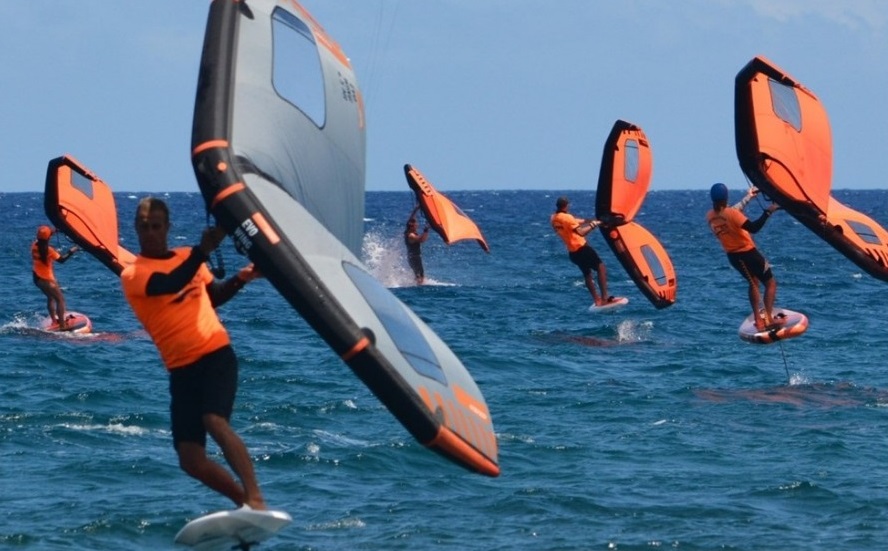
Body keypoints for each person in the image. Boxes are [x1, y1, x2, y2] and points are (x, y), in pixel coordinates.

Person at [120, 197, 267, 510]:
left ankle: (255, 497)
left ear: (167, 227)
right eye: (143, 227)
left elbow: (213, 297)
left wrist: (242, 277)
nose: (149, 233)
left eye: (156, 226)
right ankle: (245, 506)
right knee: (190, 459)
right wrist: (202, 251)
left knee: (214, 420)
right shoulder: (134, 274)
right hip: (181, 370)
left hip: (215, 353)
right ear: (135, 228)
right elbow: (169, 285)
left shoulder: (189, 258)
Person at [706, 183, 780, 331]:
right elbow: (754, 228)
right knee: (770, 283)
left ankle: (759, 321)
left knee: (753, 283)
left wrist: (749, 197)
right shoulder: (732, 214)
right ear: (726, 198)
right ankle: (769, 320)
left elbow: (730, 212)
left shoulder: (711, 216)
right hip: (749, 254)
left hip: (733, 257)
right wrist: (769, 212)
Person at [550, 196, 615, 306]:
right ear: (567, 205)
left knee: (587, 274)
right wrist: (594, 225)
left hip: (573, 253)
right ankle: (605, 298)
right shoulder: (567, 217)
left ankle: (597, 300)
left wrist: (594, 220)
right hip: (582, 248)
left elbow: (575, 222)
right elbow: (581, 232)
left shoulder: (554, 218)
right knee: (601, 268)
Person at [31, 225, 79, 330]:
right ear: (48, 238)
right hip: (47, 280)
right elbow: (61, 260)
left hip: (36, 279)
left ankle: (54, 321)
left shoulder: (34, 245)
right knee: (60, 300)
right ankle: (62, 325)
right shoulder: (49, 250)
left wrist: (55, 230)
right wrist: (72, 250)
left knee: (51, 297)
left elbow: (43, 237)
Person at [404, 206, 430, 284]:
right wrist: (426, 230)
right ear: (412, 226)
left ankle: (418, 284)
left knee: (419, 274)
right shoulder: (411, 235)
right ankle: (419, 287)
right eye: (416, 224)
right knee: (419, 275)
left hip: (413, 257)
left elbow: (411, 218)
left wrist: (417, 208)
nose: (417, 225)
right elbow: (421, 240)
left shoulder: (408, 230)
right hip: (414, 258)